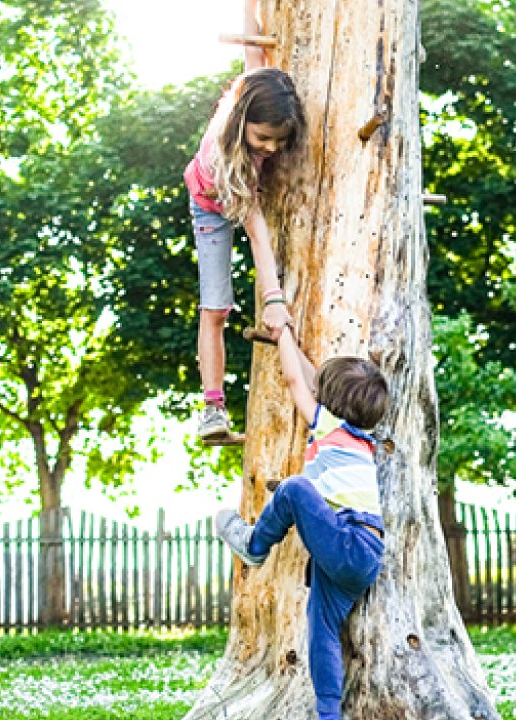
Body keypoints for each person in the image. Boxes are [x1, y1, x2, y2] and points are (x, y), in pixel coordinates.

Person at [214, 323, 389, 720]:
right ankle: (329, 715)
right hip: (362, 554)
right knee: (322, 633)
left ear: (331, 405)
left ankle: (254, 543)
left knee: (293, 489)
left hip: (345, 540)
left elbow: (297, 380)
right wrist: (293, 343)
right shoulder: (360, 436)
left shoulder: (329, 428)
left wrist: (281, 336)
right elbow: (316, 381)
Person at [187, 0, 307, 442]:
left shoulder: (255, 87)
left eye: (280, 139)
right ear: (241, 123)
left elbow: (253, 52)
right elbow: (256, 233)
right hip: (210, 202)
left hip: (243, 189)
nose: (273, 148)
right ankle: (213, 408)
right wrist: (273, 299)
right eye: (264, 139)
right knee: (215, 307)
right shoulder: (228, 158)